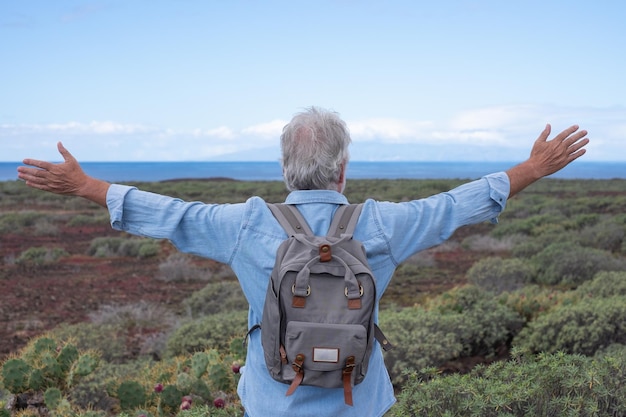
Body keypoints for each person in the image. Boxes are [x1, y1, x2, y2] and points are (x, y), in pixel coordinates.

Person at [17, 106, 589, 417]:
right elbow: (450, 207)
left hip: (273, 402)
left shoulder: (244, 225)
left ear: (284, 170)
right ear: (343, 171)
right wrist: (531, 170)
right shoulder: (381, 225)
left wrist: (88, 187)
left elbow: (171, 214)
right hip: (359, 401)